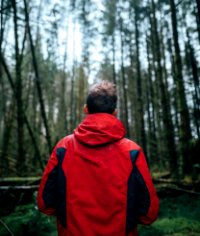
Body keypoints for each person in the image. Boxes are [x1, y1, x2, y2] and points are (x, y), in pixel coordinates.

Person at [37, 81, 159, 236]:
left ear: (86, 109)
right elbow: (149, 213)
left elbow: (44, 203)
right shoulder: (132, 151)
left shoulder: (64, 147)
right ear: (115, 112)